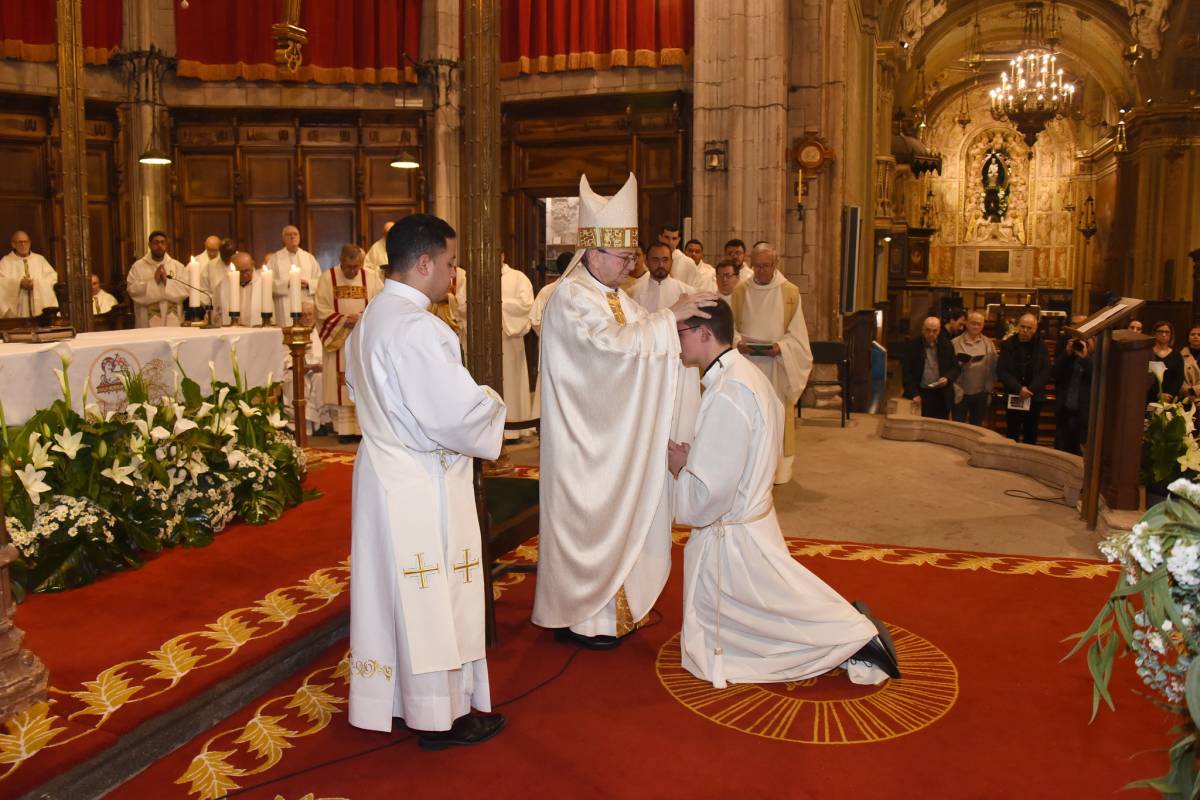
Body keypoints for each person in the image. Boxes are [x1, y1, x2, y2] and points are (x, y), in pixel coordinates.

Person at [670, 300, 899, 688]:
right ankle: (851, 628)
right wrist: (701, 458)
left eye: (681, 332)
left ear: (704, 333)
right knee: (774, 602)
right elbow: (742, 453)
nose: (677, 342)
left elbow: (712, 493)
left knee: (769, 612)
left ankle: (856, 637)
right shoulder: (747, 374)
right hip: (752, 516)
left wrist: (682, 469)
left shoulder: (727, 391)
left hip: (734, 530)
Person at [533, 172, 716, 649]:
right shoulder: (570, 299)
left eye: (633, 256)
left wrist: (675, 327)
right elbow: (607, 354)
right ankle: (582, 618)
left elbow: (647, 345)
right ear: (593, 253)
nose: (632, 266)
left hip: (614, 443)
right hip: (586, 447)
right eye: (625, 257)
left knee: (623, 512)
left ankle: (617, 609)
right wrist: (667, 321)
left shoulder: (616, 297)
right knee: (590, 521)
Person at [345, 212, 507, 749]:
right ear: (423, 263)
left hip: (383, 473)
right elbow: (455, 415)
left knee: (395, 592)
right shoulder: (419, 328)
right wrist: (493, 405)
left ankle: (396, 700)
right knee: (433, 597)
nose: (453, 274)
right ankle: (441, 716)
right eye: (451, 262)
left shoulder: (370, 319)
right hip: (422, 479)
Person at [730, 242, 813, 484]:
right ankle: (745, 468)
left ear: (775, 264)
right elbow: (730, 330)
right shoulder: (740, 292)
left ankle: (777, 470)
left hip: (776, 368)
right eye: (756, 266)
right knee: (748, 416)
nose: (761, 271)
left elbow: (798, 336)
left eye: (766, 266)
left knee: (775, 418)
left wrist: (782, 347)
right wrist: (737, 343)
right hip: (747, 365)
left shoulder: (790, 292)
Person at [316, 244, 384, 443]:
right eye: (348, 266)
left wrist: (361, 319)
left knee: (362, 381)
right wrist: (344, 320)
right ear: (341, 260)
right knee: (342, 382)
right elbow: (321, 309)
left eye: (356, 267)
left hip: (362, 338)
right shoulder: (327, 278)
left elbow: (380, 304)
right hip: (339, 339)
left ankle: (362, 429)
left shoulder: (371, 278)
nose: (352, 271)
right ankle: (344, 430)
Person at [997, 313, 1051, 444]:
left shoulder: (1041, 345)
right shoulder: (1008, 344)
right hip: (1014, 394)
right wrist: (1019, 389)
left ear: (1035, 329)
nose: (1025, 330)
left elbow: (1045, 372)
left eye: (1029, 328)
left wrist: (1030, 390)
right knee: (1012, 433)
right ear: (1018, 326)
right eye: (1022, 327)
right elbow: (1002, 371)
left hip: (1034, 396)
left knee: (1031, 433)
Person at [500, 255, 535, 440]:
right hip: (487, 339)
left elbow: (527, 305)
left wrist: (500, 304)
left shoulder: (518, 277)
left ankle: (513, 429)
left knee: (511, 381)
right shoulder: (478, 277)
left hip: (509, 340)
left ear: (503, 256)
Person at [902, 316, 960, 420]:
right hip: (921, 394)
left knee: (940, 428)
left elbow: (955, 368)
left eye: (934, 331)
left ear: (939, 331)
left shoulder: (947, 345)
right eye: (928, 330)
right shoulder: (912, 346)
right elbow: (907, 374)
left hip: (941, 395)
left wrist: (947, 378)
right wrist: (914, 394)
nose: (931, 334)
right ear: (922, 329)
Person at [128, 230, 188, 327]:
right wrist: (153, 281)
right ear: (149, 244)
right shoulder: (138, 266)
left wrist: (167, 282)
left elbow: (186, 290)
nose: (159, 245)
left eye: (162, 242)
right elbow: (132, 290)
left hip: (173, 321)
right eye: (156, 242)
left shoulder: (177, 266)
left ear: (166, 245)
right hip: (146, 321)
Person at [951, 311, 997, 425]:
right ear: (966, 323)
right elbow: (948, 367)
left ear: (983, 325)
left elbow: (993, 367)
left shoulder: (988, 343)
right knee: (958, 426)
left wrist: (988, 389)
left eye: (979, 324)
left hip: (980, 393)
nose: (976, 326)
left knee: (976, 426)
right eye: (973, 323)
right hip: (960, 391)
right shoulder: (954, 343)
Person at [0, 230, 59, 319]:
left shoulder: (39, 259)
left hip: (40, 308)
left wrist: (36, 283)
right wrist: (18, 283)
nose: (23, 245)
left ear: (30, 243)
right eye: (20, 242)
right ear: (13, 244)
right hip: (17, 311)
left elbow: (52, 277)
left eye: (26, 242)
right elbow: (2, 282)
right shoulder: (6, 262)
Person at [268, 225, 322, 320]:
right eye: (288, 235)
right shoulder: (275, 259)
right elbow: (267, 283)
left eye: (295, 234)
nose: (293, 237)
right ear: (283, 239)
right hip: (285, 305)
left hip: (307, 305)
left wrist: (308, 284)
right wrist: (286, 284)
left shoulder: (309, 258)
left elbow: (320, 281)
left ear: (299, 237)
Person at [1053, 330, 1094, 455]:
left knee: (1080, 456)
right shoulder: (1069, 356)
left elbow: (1098, 378)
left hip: (1084, 418)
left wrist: (1085, 358)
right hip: (1064, 413)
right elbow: (1054, 373)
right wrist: (1066, 353)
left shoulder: (1098, 357)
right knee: (1061, 454)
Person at [631, 241, 696, 312]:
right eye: (655, 260)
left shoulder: (687, 292)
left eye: (665, 260)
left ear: (671, 262)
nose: (661, 265)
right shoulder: (634, 293)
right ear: (646, 262)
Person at [1147, 320, 1185, 402]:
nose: (1164, 334)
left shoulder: (1176, 355)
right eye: (1160, 331)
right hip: (1150, 397)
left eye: (1167, 332)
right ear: (1154, 333)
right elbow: (1145, 378)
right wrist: (1157, 394)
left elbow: (1179, 378)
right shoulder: (1148, 354)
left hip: (1170, 399)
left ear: (1171, 335)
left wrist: (1170, 395)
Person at [658, 223, 698, 287]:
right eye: (667, 237)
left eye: (674, 239)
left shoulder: (688, 263)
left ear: (678, 240)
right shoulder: (652, 260)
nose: (670, 242)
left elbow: (692, 290)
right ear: (660, 237)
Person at [1179, 325, 1200, 401]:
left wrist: (1195, 390)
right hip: (1186, 397)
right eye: (1193, 334)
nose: (1196, 336)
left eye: (1199, 335)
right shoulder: (1179, 355)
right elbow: (1177, 377)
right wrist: (1189, 391)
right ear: (1188, 338)